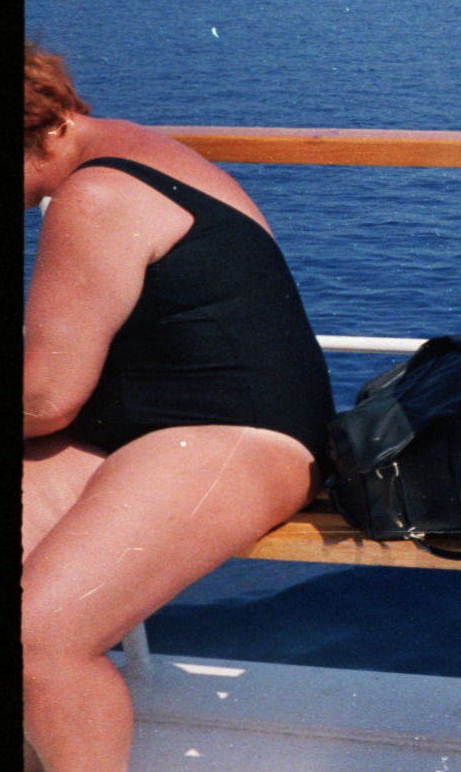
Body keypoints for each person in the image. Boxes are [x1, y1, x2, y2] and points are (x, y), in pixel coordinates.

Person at [21, 41, 334, 772]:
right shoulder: (131, 148)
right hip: (145, 423)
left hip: (237, 432)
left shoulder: (92, 196)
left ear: (51, 131)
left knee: (41, 633)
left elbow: (45, 397)